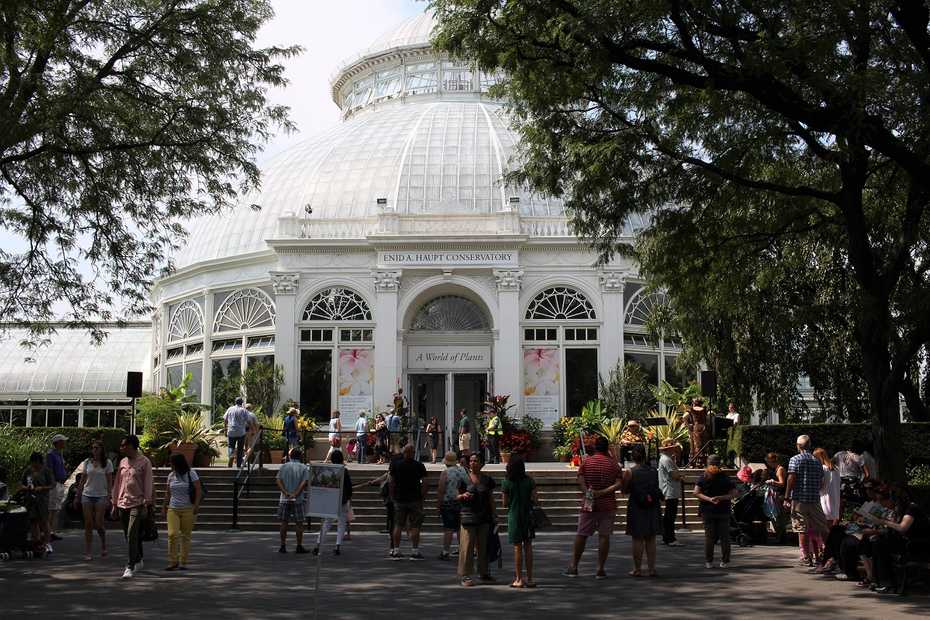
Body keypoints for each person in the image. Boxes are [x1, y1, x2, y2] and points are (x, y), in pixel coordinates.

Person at [563, 436, 623, 579]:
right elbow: (619, 482)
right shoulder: (614, 464)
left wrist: (587, 491)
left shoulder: (587, 461)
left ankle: (574, 566)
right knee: (604, 536)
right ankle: (600, 568)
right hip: (607, 503)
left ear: (596, 447)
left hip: (589, 501)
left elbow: (580, 477)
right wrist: (604, 492)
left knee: (582, 533)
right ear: (607, 448)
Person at [859, 486, 930, 593]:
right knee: (875, 542)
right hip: (906, 542)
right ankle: (877, 580)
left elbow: (902, 527)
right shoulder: (900, 510)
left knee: (880, 544)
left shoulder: (911, 509)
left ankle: (887, 582)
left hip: (917, 544)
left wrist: (884, 522)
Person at [111, 434, 154, 579]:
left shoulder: (144, 462)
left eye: (124, 445)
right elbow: (118, 483)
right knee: (128, 535)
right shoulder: (123, 461)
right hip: (123, 502)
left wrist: (147, 503)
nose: (121, 448)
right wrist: (114, 503)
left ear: (131, 446)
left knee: (131, 534)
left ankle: (129, 565)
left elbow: (148, 483)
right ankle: (138, 557)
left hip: (138, 502)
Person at [785, 434, 828, 567]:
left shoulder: (795, 459)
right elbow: (821, 482)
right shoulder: (817, 461)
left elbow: (791, 478)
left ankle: (806, 556)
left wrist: (787, 496)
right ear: (809, 445)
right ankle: (826, 553)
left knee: (801, 528)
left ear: (798, 446)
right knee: (820, 527)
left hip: (799, 499)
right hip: (814, 499)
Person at [457, 452, 497, 586]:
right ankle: (465, 575)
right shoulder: (463, 478)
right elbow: (454, 495)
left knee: (483, 547)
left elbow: (491, 498)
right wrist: (462, 496)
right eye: (471, 461)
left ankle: (484, 573)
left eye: (476, 461)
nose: (473, 463)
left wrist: (494, 515)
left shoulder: (487, 480)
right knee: (467, 547)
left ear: (481, 464)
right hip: (468, 516)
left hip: (484, 517)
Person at [624, 444, 662, 577]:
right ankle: (652, 568)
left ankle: (637, 568)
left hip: (636, 506)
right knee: (650, 538)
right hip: (652, 505)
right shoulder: (653, 471)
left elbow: (624, 490)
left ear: (633, 457)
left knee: (637, 538)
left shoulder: (630, 472)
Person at [72, 440, 113, 560]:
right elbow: (82, 480)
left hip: (101, 494)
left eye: (97, 448)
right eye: (93, 448)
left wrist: (109, 496)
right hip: (87, 494)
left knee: (99, 523)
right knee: (88, 523)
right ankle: (88, 551)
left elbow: (110, 481)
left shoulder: (107, 463)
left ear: (101, 450)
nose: (94, 450)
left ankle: (103, 544)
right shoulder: (87, 462)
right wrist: (77, 496)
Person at [694, 454, 737, 569]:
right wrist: (721, 497)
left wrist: (709, 499)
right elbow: (734, 494)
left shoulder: (703, 477)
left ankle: (709, 561)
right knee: (725, 537)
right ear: (720, 464)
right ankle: (725, 561)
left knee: (709, 537)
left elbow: (696, 492)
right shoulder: (725, 477)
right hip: (723, 510)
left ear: (708, 463)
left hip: (707, 510)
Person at [163, 452, 201, 570]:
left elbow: (198, 490)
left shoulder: (191, 473)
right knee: (172, 534)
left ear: (177, 463)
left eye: (172, 463)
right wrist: (164, 506)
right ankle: (173, 561)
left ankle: (183, 561)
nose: (170, 465)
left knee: (185, 536)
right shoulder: (171, 476)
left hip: (188, 508)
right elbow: (168, 493)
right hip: (173, 508)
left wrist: (196, 505)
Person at [502, 455, 537, 588]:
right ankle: (530, 578)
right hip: (527, 515)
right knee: (528, 546)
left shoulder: (506, 482)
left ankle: (518, 578)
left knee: (517, 548)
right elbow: (535, 499)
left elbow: (505, 503)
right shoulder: (529, 481)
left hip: (514, 516)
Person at [389, 444, 428, 560]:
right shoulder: (419, 466)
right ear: (413, 452)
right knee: (415, 526)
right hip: (415, 499)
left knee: (398, 525)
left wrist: (392, 495)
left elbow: (391, 481)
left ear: (404, 452)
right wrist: (422, 496)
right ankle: (415, 551)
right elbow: (425, 482)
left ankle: (396, 550)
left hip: (399, 499)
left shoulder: (396, 465)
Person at [313, 450, 352, 556]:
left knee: (326, 523)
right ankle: (337, 546)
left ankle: (318, 544)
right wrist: (348, 498)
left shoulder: (328, 470)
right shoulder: (344, 471)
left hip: (330, 500)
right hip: (342, 500)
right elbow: (349, 488)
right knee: (341, 523)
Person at [276, 447, 310, 554]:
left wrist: (286, 492)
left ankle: (282, 545)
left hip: (284, 498)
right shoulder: (304, 468)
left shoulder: (284, 466)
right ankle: (299, 545)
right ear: (300, 456)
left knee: (284, 522)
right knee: (299, 523)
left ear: (290, 456)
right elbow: (304, 482)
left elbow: (278, 480)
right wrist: (295, 493)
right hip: (298, 499)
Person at [437, 450, 468, 560]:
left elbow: (441, 490)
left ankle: (446, 551)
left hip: (447, 502)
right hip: (460, 501)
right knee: (460, 527)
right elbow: (468, 483)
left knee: (448, 528)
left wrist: (438, 505)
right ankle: (462, 549)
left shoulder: (445, 473)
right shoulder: (462, 470)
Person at [22, 452, 53, 555]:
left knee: (44, 521)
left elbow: (52, 484)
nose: (34, 465)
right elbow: (22, 483)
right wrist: (26, 488)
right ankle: (36, 542)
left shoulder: (46, 471)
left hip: (42, 499)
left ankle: (47, 543)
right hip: (30, 499)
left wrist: (42, 488)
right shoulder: (28, 471)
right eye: (33, 463)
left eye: (36, 463)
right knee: (33, 521)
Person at [657, 439, 684, 547]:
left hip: (669, 489)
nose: (675, 449)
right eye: (673, 448)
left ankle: (666, 537)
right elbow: (674, 475)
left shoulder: (665, 459)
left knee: (669, 515)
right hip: (670, 490)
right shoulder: (667, 460)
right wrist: (680, 476)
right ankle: (670, 538)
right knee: (670, 516)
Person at [46, 434, 68, 543]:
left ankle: (52, 532)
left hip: (60, 483)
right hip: (55, 484)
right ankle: (48, 532)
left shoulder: (60, 454)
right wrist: (53, 482)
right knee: (51, 509)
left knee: (56, 509)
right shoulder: (51, 454)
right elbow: (49, 469)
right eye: (63, 441)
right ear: (58, 442)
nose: (64, 443)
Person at [814, 447, 841, 527]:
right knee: (830, 524)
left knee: (822, 525)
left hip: (824, 499)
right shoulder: (836, 469)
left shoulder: (822, 469)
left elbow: (819, 485)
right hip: (835, 499)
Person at [223, 397, 250, 467]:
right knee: (240, 449)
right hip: (241, 432)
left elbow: (225, 420)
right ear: (242, 403)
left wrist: (225, 430)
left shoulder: (230, 409)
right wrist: (252, 429)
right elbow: (248, 421)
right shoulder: (244, 410)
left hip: (231, 431)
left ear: (235, 402)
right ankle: (238, 465)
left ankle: (231, 455)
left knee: (230, 446)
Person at [684, 398, 711, 467]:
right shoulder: (704, 410)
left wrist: (688, 425)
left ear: (693, 403)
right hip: (703, 428)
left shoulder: (691, 410)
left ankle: (694, 463)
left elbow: (684, 417)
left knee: (694, 445)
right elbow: (709, 417)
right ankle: (703, 462)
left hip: (695, 428)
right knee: (703, 445)